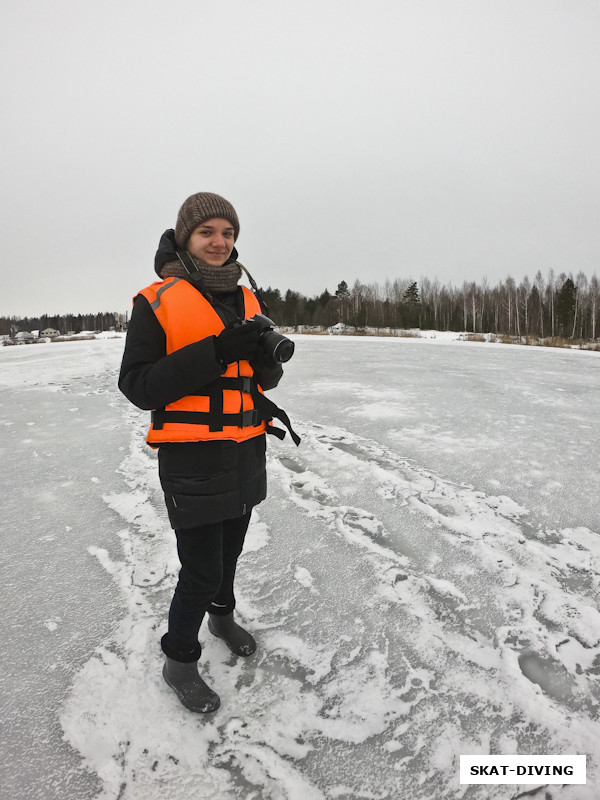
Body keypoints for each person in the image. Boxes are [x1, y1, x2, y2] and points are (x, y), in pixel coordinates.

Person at [119, 192, 298, 713]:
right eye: (207, 233)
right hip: (191, 456)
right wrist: (218, 352)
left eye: (228, 233)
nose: (220, 242)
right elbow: (138, 386)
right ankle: (179, 659)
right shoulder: (155, 301)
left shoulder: (247, 298)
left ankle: (222, 617)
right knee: (199, 570)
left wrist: (265, 363)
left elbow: (264, 378)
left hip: (244, 451)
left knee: (230, 555)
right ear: (184, 238)